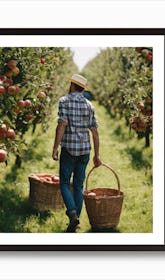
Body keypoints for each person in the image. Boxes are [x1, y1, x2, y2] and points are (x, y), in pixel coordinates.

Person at [52, 74, 102, 232]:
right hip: (85, 150)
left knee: (65, 183)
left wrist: (55, 147)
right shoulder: (89, 105)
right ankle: (76, 221)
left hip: (69, 149)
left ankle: (72, 214)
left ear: (72, 85)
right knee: (79, 185)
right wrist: (97, 154)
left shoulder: (64, 101)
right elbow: (95, 132)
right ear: (82, 88)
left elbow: (62, 125)